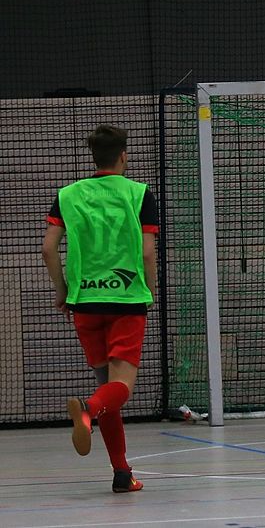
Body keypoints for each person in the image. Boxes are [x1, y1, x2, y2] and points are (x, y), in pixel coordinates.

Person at [41, 125, 158, 492]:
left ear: (94, 157)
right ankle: (87, 411)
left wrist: (63, 292)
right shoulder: (139, 194)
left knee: (108, 386)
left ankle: (122, 473)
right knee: (119, 387)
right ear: (123, 156)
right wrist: (148, 291)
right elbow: (147, 253)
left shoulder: (67, 195)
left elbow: (48, 249)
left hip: (85, 303)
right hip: (126, 301)